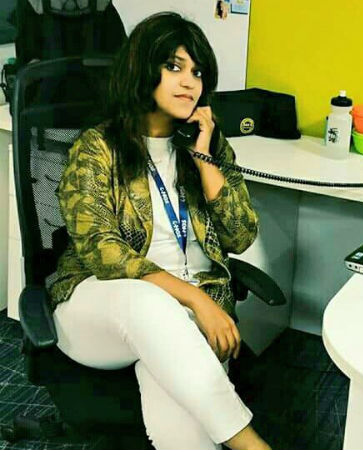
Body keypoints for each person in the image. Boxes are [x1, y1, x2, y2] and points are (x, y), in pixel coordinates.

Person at [49, 11, 271, 450]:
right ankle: (252, 445)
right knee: (149, 303)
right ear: (141, 70)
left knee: (185, 427)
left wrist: (204, 158)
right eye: (173, 67)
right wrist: (195, 299)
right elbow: (102, 251)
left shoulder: (207, 145)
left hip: (186, 315)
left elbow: (241, 235)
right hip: (101, 305)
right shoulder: (98, 148)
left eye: (198, 72)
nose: (189, 83)